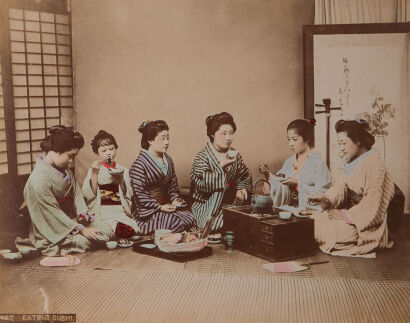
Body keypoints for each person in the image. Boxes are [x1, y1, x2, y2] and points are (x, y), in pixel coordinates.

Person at [309, 119, 403, 257]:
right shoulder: (353, 163)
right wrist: (325, 198)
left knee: (327, 230)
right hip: (355, 215)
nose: (341, 147)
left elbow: (373, 205)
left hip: (372, 222)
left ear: (358, 141)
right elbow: (341, 186)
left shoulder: (376, 166)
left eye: (343, 143)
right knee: (313, 221)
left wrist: (344, 215)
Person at [15, 126, 104, 256]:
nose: (71, 161)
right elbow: (52, 214)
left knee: (104, 229)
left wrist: (83, 217)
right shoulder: (38, 180)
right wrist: (81, 229)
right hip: (50, 228)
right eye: (70, 156)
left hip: (70, 220)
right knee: (86, 241)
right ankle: (65, 244)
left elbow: (77, 195)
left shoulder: (66, 171)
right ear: (56, 150)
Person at [129, 120, 196, 234]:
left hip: (167, 206)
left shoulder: (168, 160)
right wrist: (159, 207)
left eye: (168, 138)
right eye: (162, 138)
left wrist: (175, 200)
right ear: (150, 140)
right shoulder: (139, 164)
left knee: (190, 218)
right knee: (174, 223)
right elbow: (139, 193)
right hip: (149, 211)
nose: (166, 142)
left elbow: (172, 187)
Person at [191, 112, 252, 230]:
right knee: (223, 225)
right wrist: (221, 167)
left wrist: (241, 187)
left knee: (250, 221)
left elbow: (244, 174)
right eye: (223, 134)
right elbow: (202, 185)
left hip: (232, 203)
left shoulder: (235, 154)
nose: (228, 138)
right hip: (208, 205)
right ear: (212, 134)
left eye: (231, 133)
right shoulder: (202, 157)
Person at [259, 119, 330, 209]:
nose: (290, 144)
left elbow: (324, 194)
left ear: (307, 138)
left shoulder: (317, 162)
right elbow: (281, 182)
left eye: (294, 139)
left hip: (308, 210)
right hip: (287, 208)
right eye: (289, 139)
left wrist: (298, 184)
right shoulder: (289, 161)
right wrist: (269, 176)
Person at [82, 130, 140, 239]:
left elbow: (128, 194)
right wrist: (94, 173)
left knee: (133, 228)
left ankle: (115, 231)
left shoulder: (123, 169)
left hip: (118, 209)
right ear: (97, 152)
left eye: (111, 149)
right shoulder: (94, 169)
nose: (108, 153)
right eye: (103, 150)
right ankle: (112, 231)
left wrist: (121, 179)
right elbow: (89, 195)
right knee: (104, 228)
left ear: (116, 148)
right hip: (101, 210)